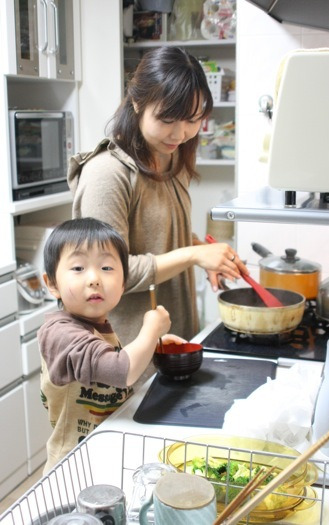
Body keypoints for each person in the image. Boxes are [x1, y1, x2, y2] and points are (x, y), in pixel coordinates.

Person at [68, 45, 248, 345]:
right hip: (124, 355)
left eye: (192, 120)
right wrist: (192, 254)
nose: (180, 134)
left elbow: (159, 233)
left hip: (174, 340)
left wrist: (204, 252)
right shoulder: (107, 174)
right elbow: (104, 273)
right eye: (167, 119)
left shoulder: (171, 158)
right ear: (137, 102)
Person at [38, 217, 182, 472]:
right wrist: (150, 331)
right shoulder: (59, 333)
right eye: (78, 268)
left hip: (105, 451)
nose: (94, 278)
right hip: (72, 465)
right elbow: (119, 371)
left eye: (106, 268)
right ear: (52, 284)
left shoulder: (98, 325)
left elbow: (110, 363)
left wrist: (151, 348)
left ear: (123, 283)